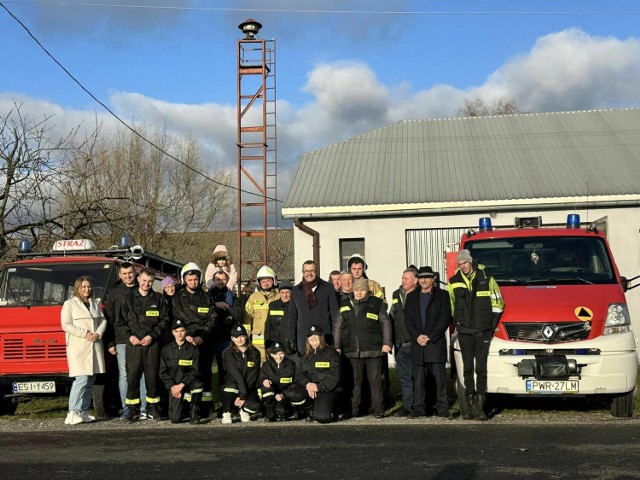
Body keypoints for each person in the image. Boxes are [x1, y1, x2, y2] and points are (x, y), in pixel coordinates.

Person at [448, 249, 504, 421]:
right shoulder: (454, 281)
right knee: (467, 369)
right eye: (460, 264)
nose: (463, 266)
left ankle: (480, 406)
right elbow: (452, 306)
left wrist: (490, 326)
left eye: (465, 263)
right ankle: (470, 405)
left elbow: (498, 303)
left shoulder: (486, 277)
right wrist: (458, 323)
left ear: (470, 261)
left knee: (481, 369)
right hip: (465, 331)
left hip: (482, 331)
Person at [117, 268, 170, 422]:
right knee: (132, 377)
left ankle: (152, 408)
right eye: (144, 281)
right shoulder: (128, 298)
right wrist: (130, 336)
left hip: (152, 344)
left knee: (152, 377)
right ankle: (132, 410)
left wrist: (152, 336)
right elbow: (120, 322)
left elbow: (164, 320)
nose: (147, 284)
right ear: (139, 279)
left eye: (150, 282)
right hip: (133, 345)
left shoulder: (158, 299)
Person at [335, 279, 392, 418]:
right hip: (352, 351)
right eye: (356, 290)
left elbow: (386, 323)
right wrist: (337, 346)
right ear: (352, 290)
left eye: (362, 290)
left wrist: (387, 343)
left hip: (374, 349)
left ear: (367, 290)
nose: (359, 292)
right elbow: (337, 326)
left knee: (375, 382)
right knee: (355, 383)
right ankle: (355, 410)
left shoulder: (376, 303)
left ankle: (378, 410)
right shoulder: (344, 304)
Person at [172, 262, 218, 416]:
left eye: (195, 279)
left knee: (205, 373)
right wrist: (187, 337)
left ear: (200, 279)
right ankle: (186, 407)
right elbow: (176, 319)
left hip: (204, 342)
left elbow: (213, 319)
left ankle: (205, 407)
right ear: (184, 279)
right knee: (185, 374)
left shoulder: (207, 298)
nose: (193, 282)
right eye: (190, 279)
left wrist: (202, 337)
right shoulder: (177, 299)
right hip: (185, 343)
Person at [405, 266, 452, 419]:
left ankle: (443, 407)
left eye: (427, 277)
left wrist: (430, 336)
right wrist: (417, 336)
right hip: (418, 344)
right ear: (417, 279)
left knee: (440, 379)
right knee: (418, 380)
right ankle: (419, 408)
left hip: (435, 344)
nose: (424, 280)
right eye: (421, 277)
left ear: (433, 279)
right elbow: (408, 320)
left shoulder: (442, 296)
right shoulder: (411, 297)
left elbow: (444, 319)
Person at [61, 276, 107, 425]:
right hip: (79, 347)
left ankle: (83, 411)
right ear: (77, 288)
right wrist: (84, 333)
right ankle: (72, 412)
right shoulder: (69, 304)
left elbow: (102, 320)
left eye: (88, 286)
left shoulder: (94, 303)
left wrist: (98, 333)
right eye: (83, 287)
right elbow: (66, 325)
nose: (86, 289)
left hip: (94, 346)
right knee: (81, 380)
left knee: (90, 380)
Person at [103, 262, 146, 419]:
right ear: (120, 276)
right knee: (125, 375)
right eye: (125, 273)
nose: (128, 276)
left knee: (142, 373)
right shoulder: (114, 294)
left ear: (135, 273)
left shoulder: (142, 289)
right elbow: (109, 319)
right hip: (122, 339)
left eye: (130, 273)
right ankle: (127, 407)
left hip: (142, 339)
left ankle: (143, 408)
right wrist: (110, 343)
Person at [288, 260, 338, 356]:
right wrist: (291, 338)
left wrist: (336, 338)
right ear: (302, 272)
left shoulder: (328, 288)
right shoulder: (296, 291)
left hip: (325, 336)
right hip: (304, 338)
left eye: (312, 271)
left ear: (316, 271)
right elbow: (292, 317)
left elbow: (335, 315)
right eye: (306, 271)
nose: (309, 274)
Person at [159, 319, 204, 424]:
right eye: (176, 331)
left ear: (186, 331)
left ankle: (194, 412)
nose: (179, 334)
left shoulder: (193, 350)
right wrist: (172, 386)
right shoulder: (166, 350)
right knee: (175, 419)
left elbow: (195, 371)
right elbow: (162, 372)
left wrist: (182, 384)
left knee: (198, 384)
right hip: (174, 386)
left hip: (188, 383)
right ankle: (183, 410)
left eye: (182, 330)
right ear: (172, 333)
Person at [294, 325, 341, 423]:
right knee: (292, 394)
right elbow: (298, 375)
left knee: (323, 418)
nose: (314, 342)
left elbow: (334, 376)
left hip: (327, 389)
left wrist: (318, 387)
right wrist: (308, 385)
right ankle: (310, 409)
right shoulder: (305, 356)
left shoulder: (331, 353)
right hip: (310, 387)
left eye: (316, 339)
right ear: (308, 341)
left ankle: (333, 409)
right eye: (311, 340)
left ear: (321, 338)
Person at [389, 266, 419, 416]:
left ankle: (419, 406)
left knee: (418, 377)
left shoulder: (420, 294)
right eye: (402, 278)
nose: (403, 281)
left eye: (406, 278)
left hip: (415, 343)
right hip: (400, 343)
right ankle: (408, 407)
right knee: (404, 377)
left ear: (415, 280)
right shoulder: (396, 294)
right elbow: (392, 316)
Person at [221, 324, 262, 424]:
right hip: (233, 384)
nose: (239, 339)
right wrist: (242, 395)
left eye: (242, 336)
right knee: (230, 389)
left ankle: (242, 409)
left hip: (249, 387)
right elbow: (236, 375)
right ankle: (227, 412)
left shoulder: (255, 352)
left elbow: (253, 376)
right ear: (232, 338)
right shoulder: (228, 353)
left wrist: (243, 395)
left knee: (255, 406)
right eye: (236, 337)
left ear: (246, 336)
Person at [208, 270, 239, 399]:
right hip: (209, 338)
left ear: (227, 281)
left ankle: (224, 399)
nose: (220, 282)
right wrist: (216, 305)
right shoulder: (207, 295)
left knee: (225, 370)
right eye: (217, 279)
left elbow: (236, 313)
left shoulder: (231, 295)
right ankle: (210, 399)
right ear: (213, 281)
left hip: (225, 339)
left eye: (223, 279)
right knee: (207, 370)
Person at [260, 341, 307, 422]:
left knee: (281, 411)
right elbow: (260, 379)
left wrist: (283, 394)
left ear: (284, 353)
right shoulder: (266, 366)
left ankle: (291, 410)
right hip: (272, 396)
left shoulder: (291, 365)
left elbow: (296, 383)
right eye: (275, 354)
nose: (279, 356)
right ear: (271, 354)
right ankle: (270, 413)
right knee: (265, 388)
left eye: (281, 353)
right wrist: (264, 380)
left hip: (286, 395)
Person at [244, 265, 280, 362]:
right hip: (257, 343)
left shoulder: (280, 296)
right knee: (259, 367)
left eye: (268, 280)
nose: (265, 283)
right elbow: (246, 318)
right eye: (262, 281)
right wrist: (245, 336)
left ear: (274, 281)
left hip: (276, 340)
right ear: (259, 283)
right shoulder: (253, 297)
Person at [265, 280, 294, 354]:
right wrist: (267, 345)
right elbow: (268, 326)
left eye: (287, 292)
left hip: (292, 348)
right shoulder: (273, 305)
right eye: (282, 292)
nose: (285, 295)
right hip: (276, 347)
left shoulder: (297, 306)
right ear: (279, 293)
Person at [160, 275, 178, 346]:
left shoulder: (179, 299)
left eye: (172, 286)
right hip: (166, 330)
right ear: (164, 289)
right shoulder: (161, 300)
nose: (171, 289)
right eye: (168, 286)